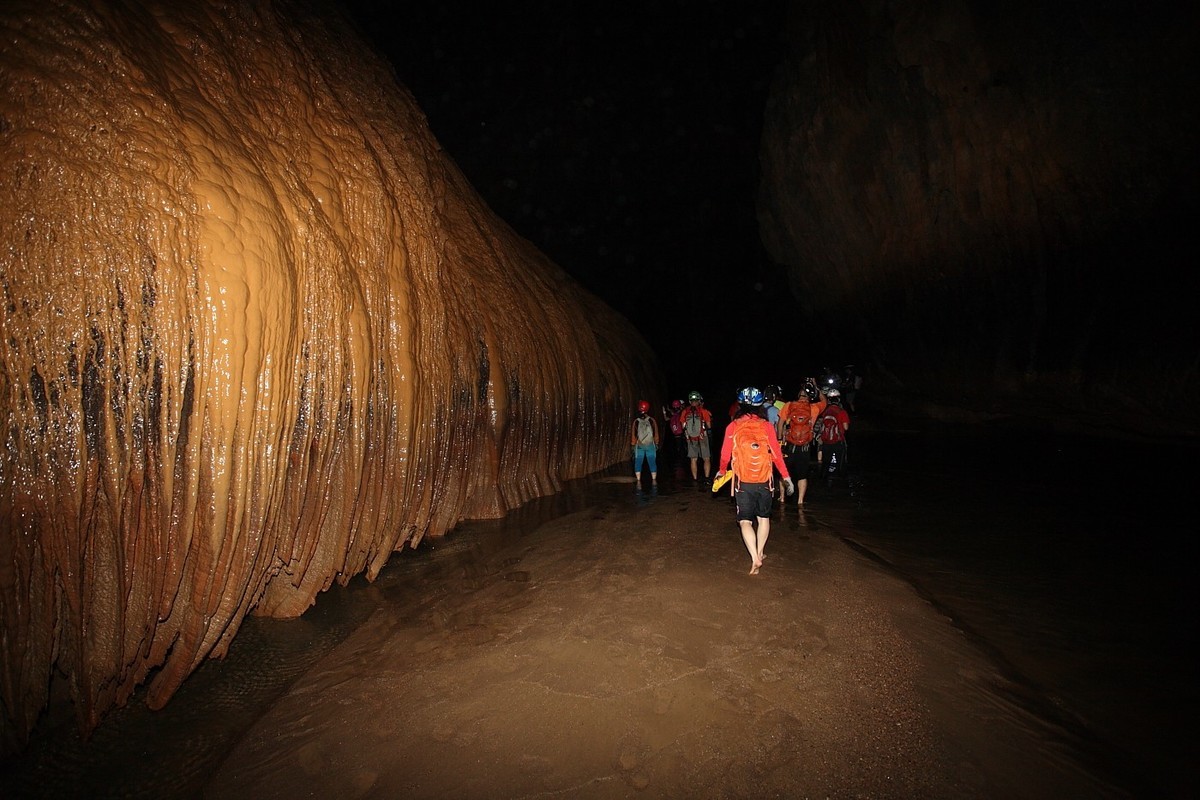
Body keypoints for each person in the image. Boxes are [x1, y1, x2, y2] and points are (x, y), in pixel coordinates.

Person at [714, 387, 793, 575]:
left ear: (740, 404)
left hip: (744, 481)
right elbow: (776, 455)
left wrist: (722, 471)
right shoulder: (766, 426)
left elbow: (725, 454)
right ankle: (760, 552)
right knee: (763, 518)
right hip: (765, 480)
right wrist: (786, 476)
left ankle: (754, 558)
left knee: (745, 522)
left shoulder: (733, 426)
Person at [779, 387, 819, 507]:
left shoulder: (789, 405)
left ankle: (782, 498)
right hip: (805, 447)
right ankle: (800, 501)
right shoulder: (814, 408)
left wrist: (779, 440)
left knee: (784, 471)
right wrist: (815, 387)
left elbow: (780, 423)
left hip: (790, 445)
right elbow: (824, 401)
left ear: (798, 396)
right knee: (802, 475)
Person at [679, 390, 713, 485]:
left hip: (690, 438)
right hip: (703, 438)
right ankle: (706, 479)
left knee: (693, 459)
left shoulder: (685, 412)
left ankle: (695, 479)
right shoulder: (703, 411)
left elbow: (683, 426)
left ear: (690, 401)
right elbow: (709, 426)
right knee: (706, 458)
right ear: (699, 400)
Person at [816, 388, 851, 478]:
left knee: (825, 463)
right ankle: (838, 480)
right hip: (838, 441)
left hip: (826, 441)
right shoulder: (842, 411)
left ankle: (823, 479)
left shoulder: (825, 411)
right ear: (838, 399)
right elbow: (846, 428)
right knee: (840, 462)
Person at [631, 400, 660, 485]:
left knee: (638, 463)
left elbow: (634, 435)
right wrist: (656, 443)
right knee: (652, 462)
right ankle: (654, 481)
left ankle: (638, 482)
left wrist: (633, 445)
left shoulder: (636, 421)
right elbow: (656, 433)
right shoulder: (652, 420)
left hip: (640, 446)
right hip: (650, 445)